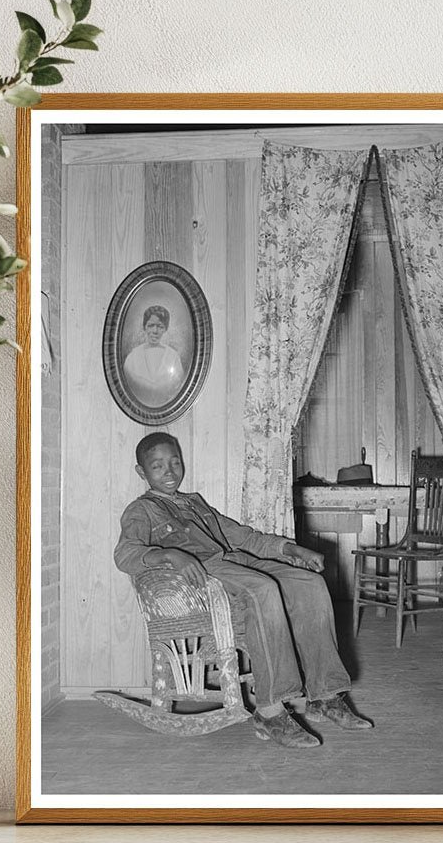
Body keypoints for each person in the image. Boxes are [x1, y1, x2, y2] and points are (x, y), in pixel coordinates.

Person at [114, 432, 373, 748]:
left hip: (236, 562)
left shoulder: (195, 502)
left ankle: (326, 695)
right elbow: (125, 554)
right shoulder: (141, 510)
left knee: (310, 583)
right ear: (142, 472)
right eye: (157, 466)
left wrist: (291, 550)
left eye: (175, 462)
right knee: (262, 589)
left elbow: (245, 538)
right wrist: (170, 554)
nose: (169, 472)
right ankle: (271, 711)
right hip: (205, 576)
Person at [122, 305, 185, 405]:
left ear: (165, 329)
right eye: (151, 325)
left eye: (160, 326)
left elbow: (178, 387)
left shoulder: (173, 357)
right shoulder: (133, 357)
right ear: (144, 327)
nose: (155, 331)